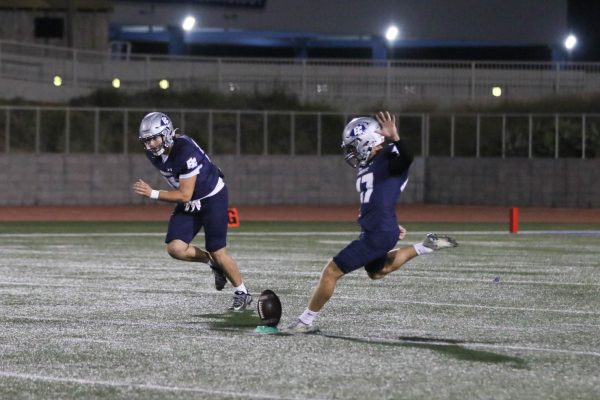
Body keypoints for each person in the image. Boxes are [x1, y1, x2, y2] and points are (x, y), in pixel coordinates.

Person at [284, 111, 458, 333]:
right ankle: (426, 246)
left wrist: (395, 137)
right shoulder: (368, 165)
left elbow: (407, 157)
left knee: (331, 272)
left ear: (367, 141)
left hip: (379, 232)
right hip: (379, 228)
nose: (352, 152)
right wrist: (390, 223)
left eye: (353, 145)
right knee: (377, 272)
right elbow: (376, 198)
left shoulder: (389, 156)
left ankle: (304, 322)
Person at [132, 112, 252, 311]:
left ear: (167, 133)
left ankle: (242, 292)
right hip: (190, 198)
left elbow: (184, 195)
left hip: (211, 196)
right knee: (175, 248)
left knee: (218, 250)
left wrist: (152, 193)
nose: (151, 144)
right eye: (147, 140)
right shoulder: (153, 153)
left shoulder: (185, 150)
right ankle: (211, 263)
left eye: (154, 138)